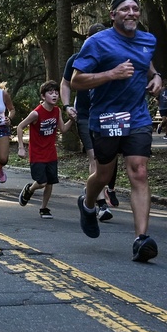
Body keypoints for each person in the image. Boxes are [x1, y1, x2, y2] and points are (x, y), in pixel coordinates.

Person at [70, 0, 163, 263]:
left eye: (135, 8)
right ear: (113, 15)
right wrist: (111, 74)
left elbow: (147, 66)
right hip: (107, 118)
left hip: (137, 118)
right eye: (125, 9)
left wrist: (156, 77)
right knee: (103, 175)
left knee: (139, 172)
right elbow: (76, 80)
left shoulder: (148, 40)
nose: (131, 13)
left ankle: (141, 240)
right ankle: (87, 204)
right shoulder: (97, 42)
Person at [61, 23, 117, 221]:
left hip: (110, 114)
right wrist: (67, 105)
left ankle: (100, 189)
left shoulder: (113, 58)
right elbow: (65, 82)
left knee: (108, 159)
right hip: (85, 115)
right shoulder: (76, 59)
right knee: (94, 157)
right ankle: (101, 205)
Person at [16, 81, 77, 218]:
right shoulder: (36, 113)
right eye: (50, 93)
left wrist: (72, 120)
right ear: (43, 96)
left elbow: (63, 129)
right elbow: (20, 126)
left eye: (56, 93)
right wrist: (21, 147)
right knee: (42, 182)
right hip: (37, 153)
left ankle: (44, 208)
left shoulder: (57, 111)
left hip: (51, 152)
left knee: (50, 182)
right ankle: (29, 189)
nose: (54, 95)